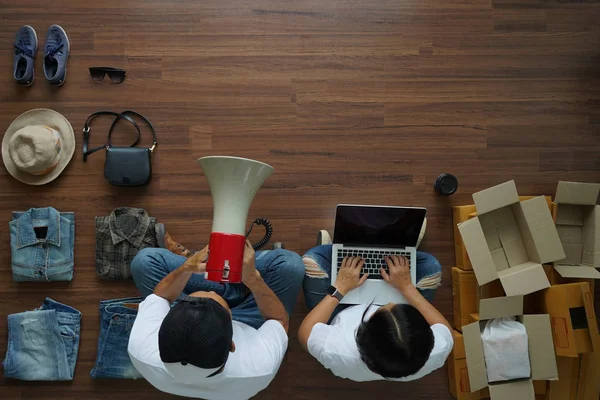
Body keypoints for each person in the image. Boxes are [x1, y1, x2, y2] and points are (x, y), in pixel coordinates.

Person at [127, 240, 304, 400]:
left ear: (161, 331)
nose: (211, 294)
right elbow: (279, 320)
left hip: (201, 310)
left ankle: (216, 275)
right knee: (290, 265)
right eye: (216, 300)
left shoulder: (141, 348)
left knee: (144, 262)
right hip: (250, 321)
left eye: (192, 300)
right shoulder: (259, 366)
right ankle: (237, 282)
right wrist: (254, 280)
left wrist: (186, 269)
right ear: (232, 345)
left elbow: (160, 298)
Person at [298, 235, 453, 382]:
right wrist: (407, 288)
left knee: (314, 259)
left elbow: (305, 332)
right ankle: (397, 252)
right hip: (402, 288)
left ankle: (339, 251)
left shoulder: (337, 350)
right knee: (430, 265)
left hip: (340, 309)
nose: (390, 303)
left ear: (362, 333)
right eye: (397, 306)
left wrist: (339, 288)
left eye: (381, 310)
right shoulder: (435, 351)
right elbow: (444, 329)